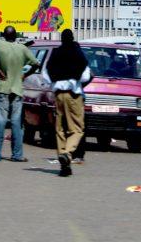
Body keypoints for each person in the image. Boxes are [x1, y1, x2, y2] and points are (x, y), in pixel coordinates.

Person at [42, 29, 92, 177]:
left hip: (58, 94)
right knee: (76, 129)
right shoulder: (78, 53)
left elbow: (45, 74)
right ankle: (68, 153)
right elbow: (85, 76)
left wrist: (56, 81)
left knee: (60, 128)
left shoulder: (55, 53)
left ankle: (64, 163)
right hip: (73, 94)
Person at [0, 26, 39, 162]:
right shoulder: (22, 48)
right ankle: (17, 155)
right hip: (17, 88)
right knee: (16, 123)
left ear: (4, 35)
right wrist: (25, 75)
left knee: (0, 121)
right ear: (16, 35)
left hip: (2, 87)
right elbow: (36, 63)